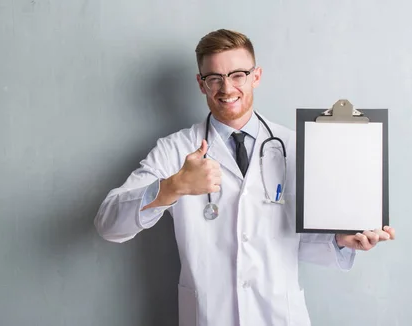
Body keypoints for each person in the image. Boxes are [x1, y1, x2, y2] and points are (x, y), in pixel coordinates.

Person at [93, 29, 396, 326]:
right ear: (201, 84)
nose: (227, 88)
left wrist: (339, 240)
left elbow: (293, 242)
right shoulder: (175, 150)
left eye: (238, 74)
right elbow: (108, 223)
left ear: (256, 76)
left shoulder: (294, 146)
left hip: (278, 315)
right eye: (215, 78)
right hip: (210, 316)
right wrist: (173, 187)